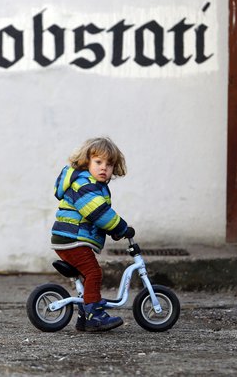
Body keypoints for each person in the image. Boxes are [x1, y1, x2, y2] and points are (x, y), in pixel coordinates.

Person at [50, 137, 135, 332]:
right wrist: (121, 228)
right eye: (98, 162)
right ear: (86, 162)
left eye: (109, 164)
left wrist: (112, 230)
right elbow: (98, 213)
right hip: (72, 239)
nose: (104, 168)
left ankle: (83, 316)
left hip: (70, 238)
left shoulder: (93, 185)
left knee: (87, 276)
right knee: (93, 272)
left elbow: (96, 217)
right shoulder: (84, 185)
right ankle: (93, 315)